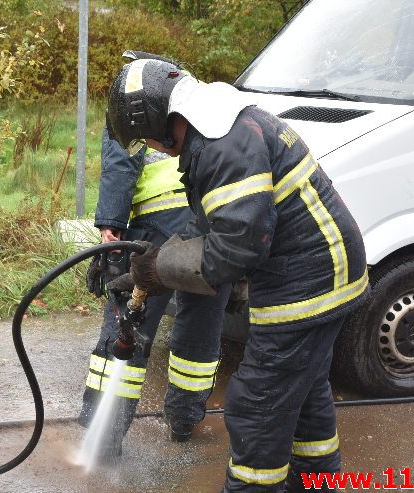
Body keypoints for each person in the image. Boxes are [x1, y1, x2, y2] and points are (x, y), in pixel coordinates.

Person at [105, 58, 369, 492]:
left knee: (257, 404)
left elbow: (237, 247)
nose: (152, 146)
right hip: (326, 270)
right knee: (303, 394)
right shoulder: (219, 127)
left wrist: (160, 269)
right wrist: (153, 265)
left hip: (307, 281)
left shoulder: (221, 144)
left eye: (147, 137)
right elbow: (214, 224)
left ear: (159, 120)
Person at [78, 51, 233, 461]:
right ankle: (184, 420)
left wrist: (110, 228)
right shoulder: (194, 98)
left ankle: (103, 436)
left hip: (155, 229)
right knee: (200, 331)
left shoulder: (132, 105)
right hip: (210, 229)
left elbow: (119, 163)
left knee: (129, 322)